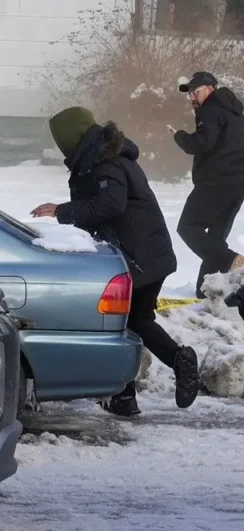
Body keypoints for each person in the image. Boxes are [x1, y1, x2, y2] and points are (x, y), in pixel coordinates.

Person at [32, 106, 201, 416]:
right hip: (144, 253)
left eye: (60, 139)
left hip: (139, 257)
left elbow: (111, 205)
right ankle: (126, 396)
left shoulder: (104, 161)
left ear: (72, 136)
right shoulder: (101, 155)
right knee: (130, 321)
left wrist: (61, 211)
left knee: (125, 321)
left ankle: (171, 365)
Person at [172, 72, 244, 298]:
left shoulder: (212, 109)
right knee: (214, 240)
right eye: (190, 94)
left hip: (216, 182)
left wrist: (180, 137)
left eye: (196, 92)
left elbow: (201, 143)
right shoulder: (236, 112)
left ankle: (233, 261)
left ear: (211, 89)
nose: (192, 97)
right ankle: (205, 292)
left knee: (187, 227)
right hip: (237, 184)